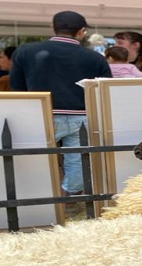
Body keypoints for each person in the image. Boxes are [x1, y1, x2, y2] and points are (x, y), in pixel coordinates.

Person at [10, 11, 112, 207]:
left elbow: (17, 87)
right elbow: (103, 91)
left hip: (40, 113)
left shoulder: (25, 51)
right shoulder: (95, 58)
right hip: (81, 116)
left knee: (35, 161)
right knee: (77, 162)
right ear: (81, 32)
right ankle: (68, 200)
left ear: (52, 27)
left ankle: (38, 202)